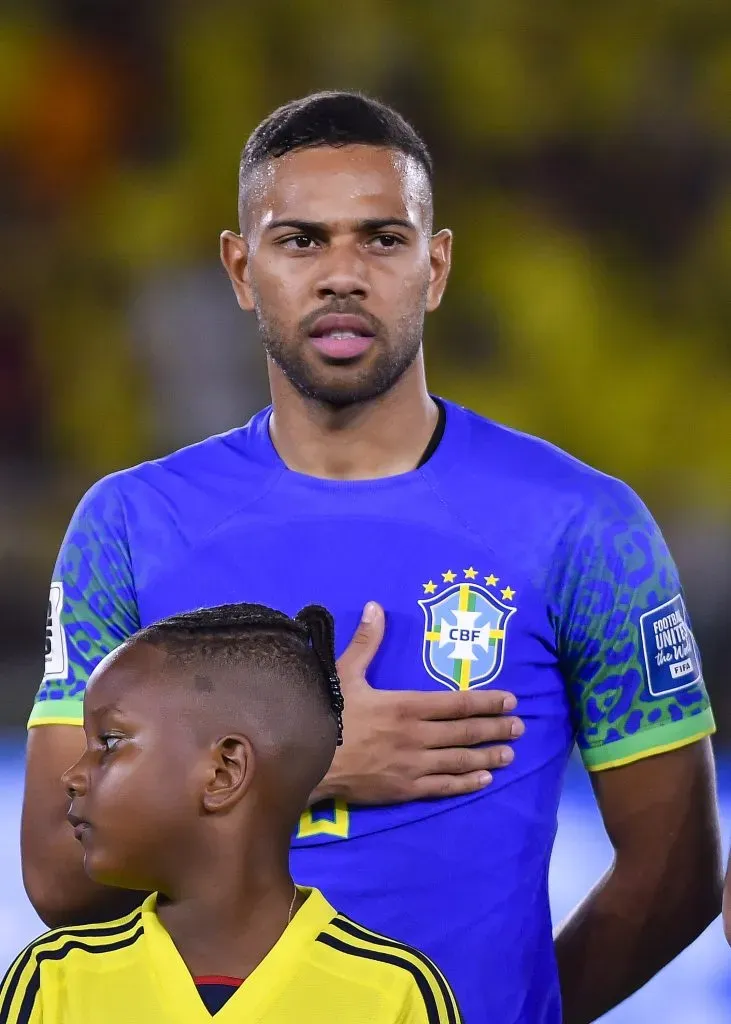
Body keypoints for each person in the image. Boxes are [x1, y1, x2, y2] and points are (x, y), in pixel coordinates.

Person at [22, 91, 721, 1024]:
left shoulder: (585, 526)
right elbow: (60, 882)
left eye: (382, 240)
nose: (341, 274)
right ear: (241, 268)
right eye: (300, 240)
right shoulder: (131, 524)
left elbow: (676, 876)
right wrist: (307, 760)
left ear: (435, 267)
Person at [4, 602, 461, 1024]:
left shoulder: (393, 991)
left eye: (109, 743)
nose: (72, 776)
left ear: (223, 772)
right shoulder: (53, 978)